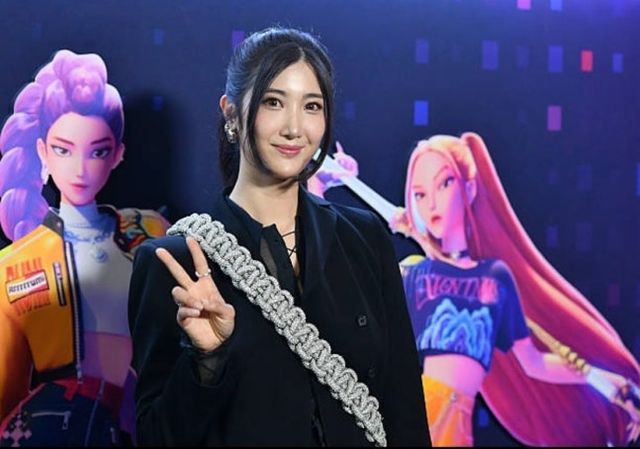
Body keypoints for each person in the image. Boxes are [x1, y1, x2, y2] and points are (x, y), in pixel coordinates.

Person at [127, 27, 431, 447]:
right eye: (274, 102)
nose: (294, 128)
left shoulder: (364, 239)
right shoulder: (174, 262)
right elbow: (156, 438)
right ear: (232, 114)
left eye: (312, 106)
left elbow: (404, 412)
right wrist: (207, 361)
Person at [310, 134, 640, 447]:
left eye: (444, 184)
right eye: (420, 194)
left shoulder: (494, 278)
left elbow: (534, 363)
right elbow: (338, 282)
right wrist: (319, 186)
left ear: (469, 188)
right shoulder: (415, 274)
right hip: (418, 414)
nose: (432, 204)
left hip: (457, 427)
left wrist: (606, 382)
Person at [0, 49, 168, 446]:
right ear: (43, 152)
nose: (80, 169)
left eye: (97, 151)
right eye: (63, 149)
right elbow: (5, 394)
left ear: (117, 154)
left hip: (144, 425)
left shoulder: (150, 232)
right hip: (54, 430)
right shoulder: (15, 264)